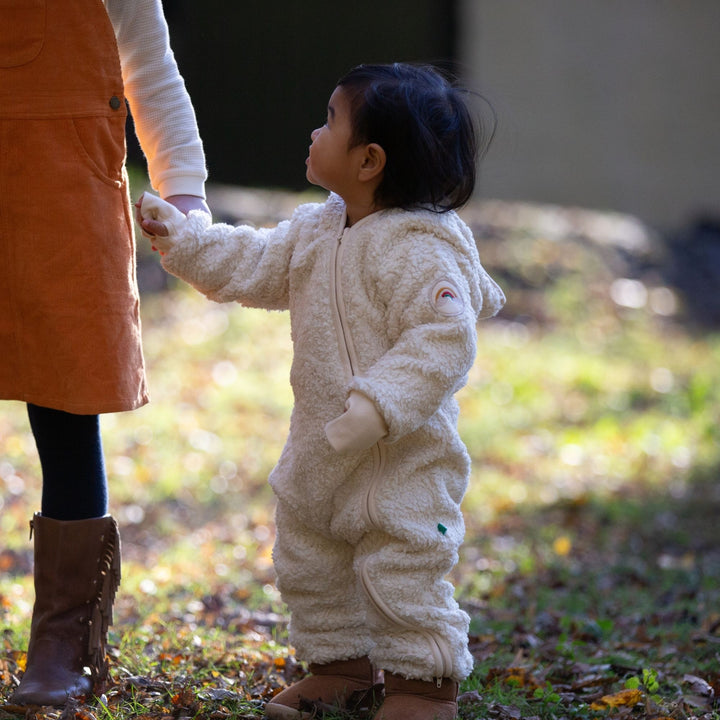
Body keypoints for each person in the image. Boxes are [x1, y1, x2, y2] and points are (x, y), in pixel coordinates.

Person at [139, 63, 505, 720]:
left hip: (403, 462)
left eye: (330, 120)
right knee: (310, 559)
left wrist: (378, 407)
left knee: (404, 570)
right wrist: (185, 240)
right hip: (318, 450)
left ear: (369, 160)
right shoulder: (316, 230)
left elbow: (444, 340)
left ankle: (425, 687)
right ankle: (339, 667)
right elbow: (250, 262)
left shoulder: (423, 251)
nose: (314, 131)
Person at [1, 0, 208, 707]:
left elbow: (150, 68)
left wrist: (184, 192)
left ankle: (63, 644)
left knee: (65, 402)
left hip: (61, 203)